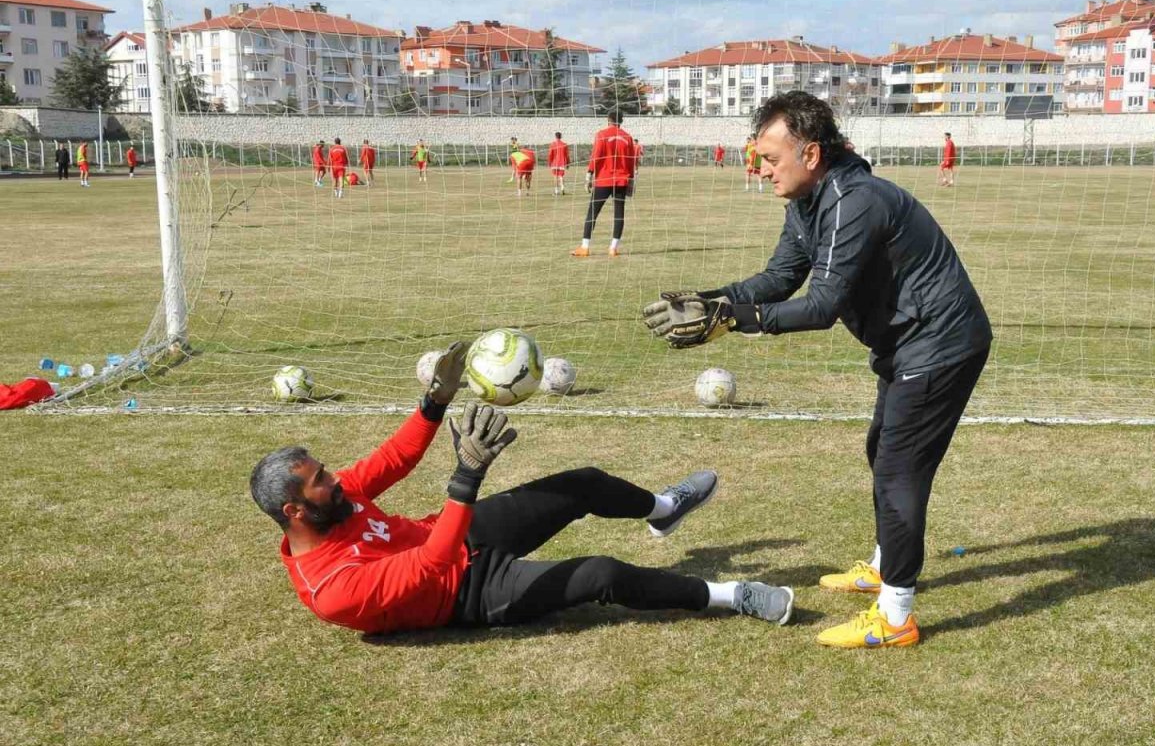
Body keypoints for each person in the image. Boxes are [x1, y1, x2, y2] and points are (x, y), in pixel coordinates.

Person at [642, 91, 992, 650]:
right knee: (883, 451)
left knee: (900, 470)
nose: (762, 171)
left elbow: (822, 306)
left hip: (941, 345)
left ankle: (896, 617)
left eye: (772, 160)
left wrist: (734, 319)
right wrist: (710, 300)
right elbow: (778, 280)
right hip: (907, 344)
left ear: (810, 155)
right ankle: (883, 564)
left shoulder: (856, 200)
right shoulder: (809, 204)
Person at [249, 343, 795, 636]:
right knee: (600, 575)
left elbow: (393, 459)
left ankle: (663, 509)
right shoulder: (332, 590)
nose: (337, 479)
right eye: (322, 480)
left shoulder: (337, 502)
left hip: (455, 535)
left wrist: (434, 402)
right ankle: (730, 595)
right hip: (465, 595)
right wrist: (467, 475)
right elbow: (430, 568)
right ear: (295, 510)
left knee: (581, 483)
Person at [572, 110, 636, 258]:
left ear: (608, 120)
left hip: (604, 179)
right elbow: (631, 160)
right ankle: (613, 248)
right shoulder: (628, 137)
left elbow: (596, 155)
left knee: (593, 212)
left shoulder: (601, 134)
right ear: (621, 121)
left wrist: (589, 174)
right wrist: (631, 181)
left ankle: (585, 247)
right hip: (622, 180)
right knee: (619, 213)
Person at [547, 131, 570, 196]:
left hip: (554, 163)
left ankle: (556, 191)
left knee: (555, 176)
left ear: (555, 136)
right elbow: (567, 155)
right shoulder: (564, 144)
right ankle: (562, 189)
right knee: (561, 176)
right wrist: (568, 163)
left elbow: (550, 154)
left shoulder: (552, 144)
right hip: (562, 163)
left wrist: (549, 162)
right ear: (561, 136)